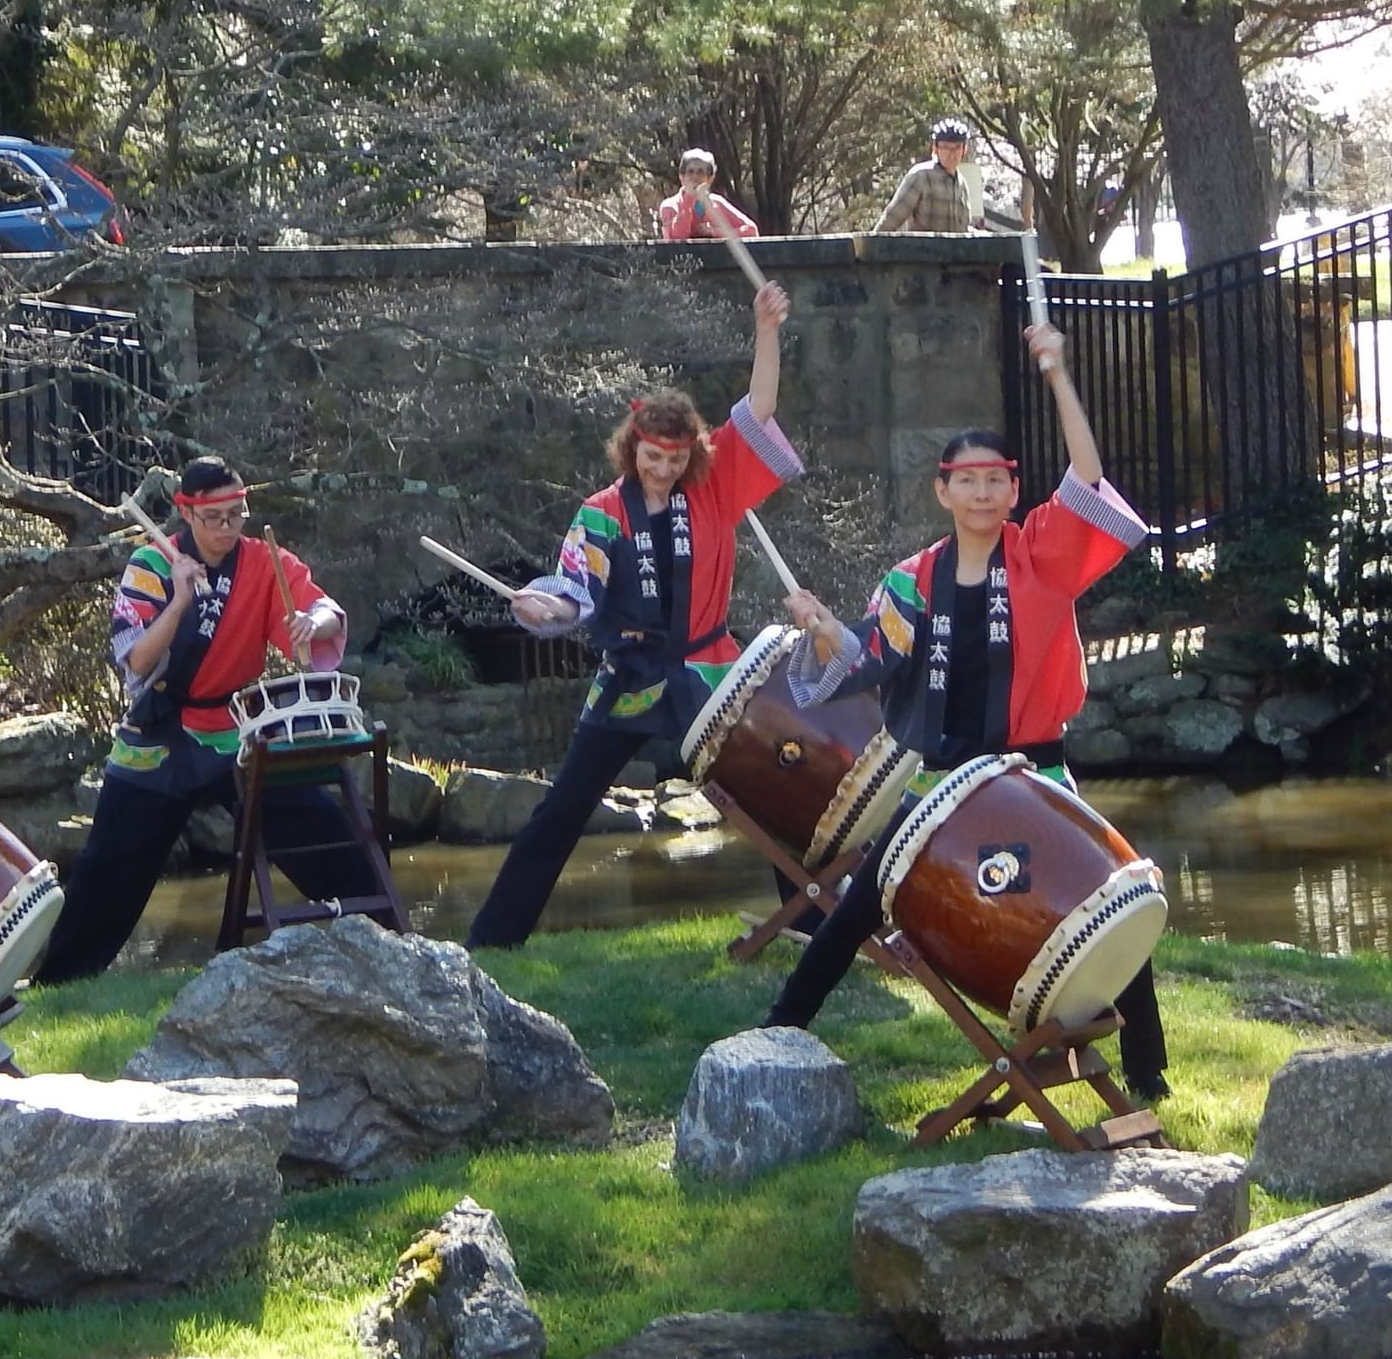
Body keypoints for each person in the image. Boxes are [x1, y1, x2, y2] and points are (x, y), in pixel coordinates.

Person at [763, 321, 1167, 1099]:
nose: (983, 494)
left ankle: (1149, 1069)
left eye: (997, 481)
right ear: (942, 490)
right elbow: (868, 662)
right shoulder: (912, 581)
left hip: (1034, 771)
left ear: (1014, 492)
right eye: (967, 481)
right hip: (944, 782)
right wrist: (823, 629)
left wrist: (1056, 375)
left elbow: (1088, 475)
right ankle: (777, 1035)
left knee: (1103, 895)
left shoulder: (1042, 555)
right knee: (858, 906)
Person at [468, 282, 800, 949]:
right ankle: (493, 940)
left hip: (708, 668)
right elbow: (573, 592)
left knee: (771, 793)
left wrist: (767, 330)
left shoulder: (712, 488)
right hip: (630, 676)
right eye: (653, 458)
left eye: (677, 460)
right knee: (563, 807)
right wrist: (546, 607)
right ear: (631, 449)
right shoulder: (600, 511)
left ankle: (812, 924)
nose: (664, 470)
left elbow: (758, 411)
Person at [35, 457, 372, 983]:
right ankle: (62, 981)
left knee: (316, 823)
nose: (226, 529)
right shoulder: (150, 564)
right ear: (186, 514)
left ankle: (382, 932)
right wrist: (181, 599)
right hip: (162, 731)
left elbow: (322, 607)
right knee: (111, 863)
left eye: (236, 515)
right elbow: (138, 660)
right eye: (214, 518)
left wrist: (312, 620)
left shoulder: (263, 562)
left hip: (237, 729)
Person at [875, 118, 979, 234]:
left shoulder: (962, 185)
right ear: (935, 148)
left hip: (955, 251)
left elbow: (963, 230)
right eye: (945, 147)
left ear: (964, 150)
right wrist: (870, 248)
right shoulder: (920, 177)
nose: (951, 153)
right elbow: (890, 220)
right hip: (923, 251)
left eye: (956, 148)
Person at [654, 149, 759, 243]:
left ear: (710, 179)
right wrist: (688, 200)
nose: (695, 177)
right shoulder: (669, 206)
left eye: (701, 172)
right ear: (681, 177)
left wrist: (714, 231)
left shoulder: (716, 203)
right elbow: (678, 238)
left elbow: (751, 230)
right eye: (690, 172)